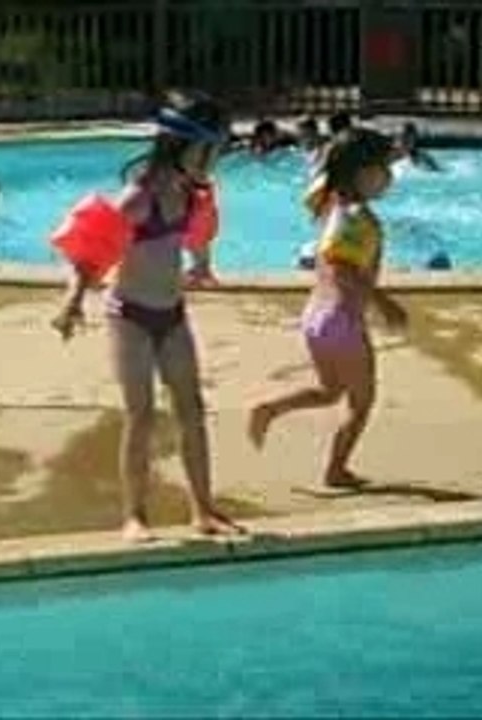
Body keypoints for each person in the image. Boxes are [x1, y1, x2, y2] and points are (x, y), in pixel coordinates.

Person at [51, 91, 243, 542]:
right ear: (182, 147)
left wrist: (201, 265)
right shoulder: (138, 199)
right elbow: (90, 251)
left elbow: (196, 237)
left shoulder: (190, 195)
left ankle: (204, 509)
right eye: (210, 151)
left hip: (172, 315)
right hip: (130, 317)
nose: (214, 161)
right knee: (141, 415)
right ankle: (134, 515)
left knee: (191, 410)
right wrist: (73, 300)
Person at [248, 128, 409, 489]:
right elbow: (341, 267)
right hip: (342, 322)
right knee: (361, 402)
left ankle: (270, 409)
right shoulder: (353, 216)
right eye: (383, 168)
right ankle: (336, 471)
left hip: (317, 319)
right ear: (362, 173)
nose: (390, 176)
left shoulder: (330, 202)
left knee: (330, 392)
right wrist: (384, 303)